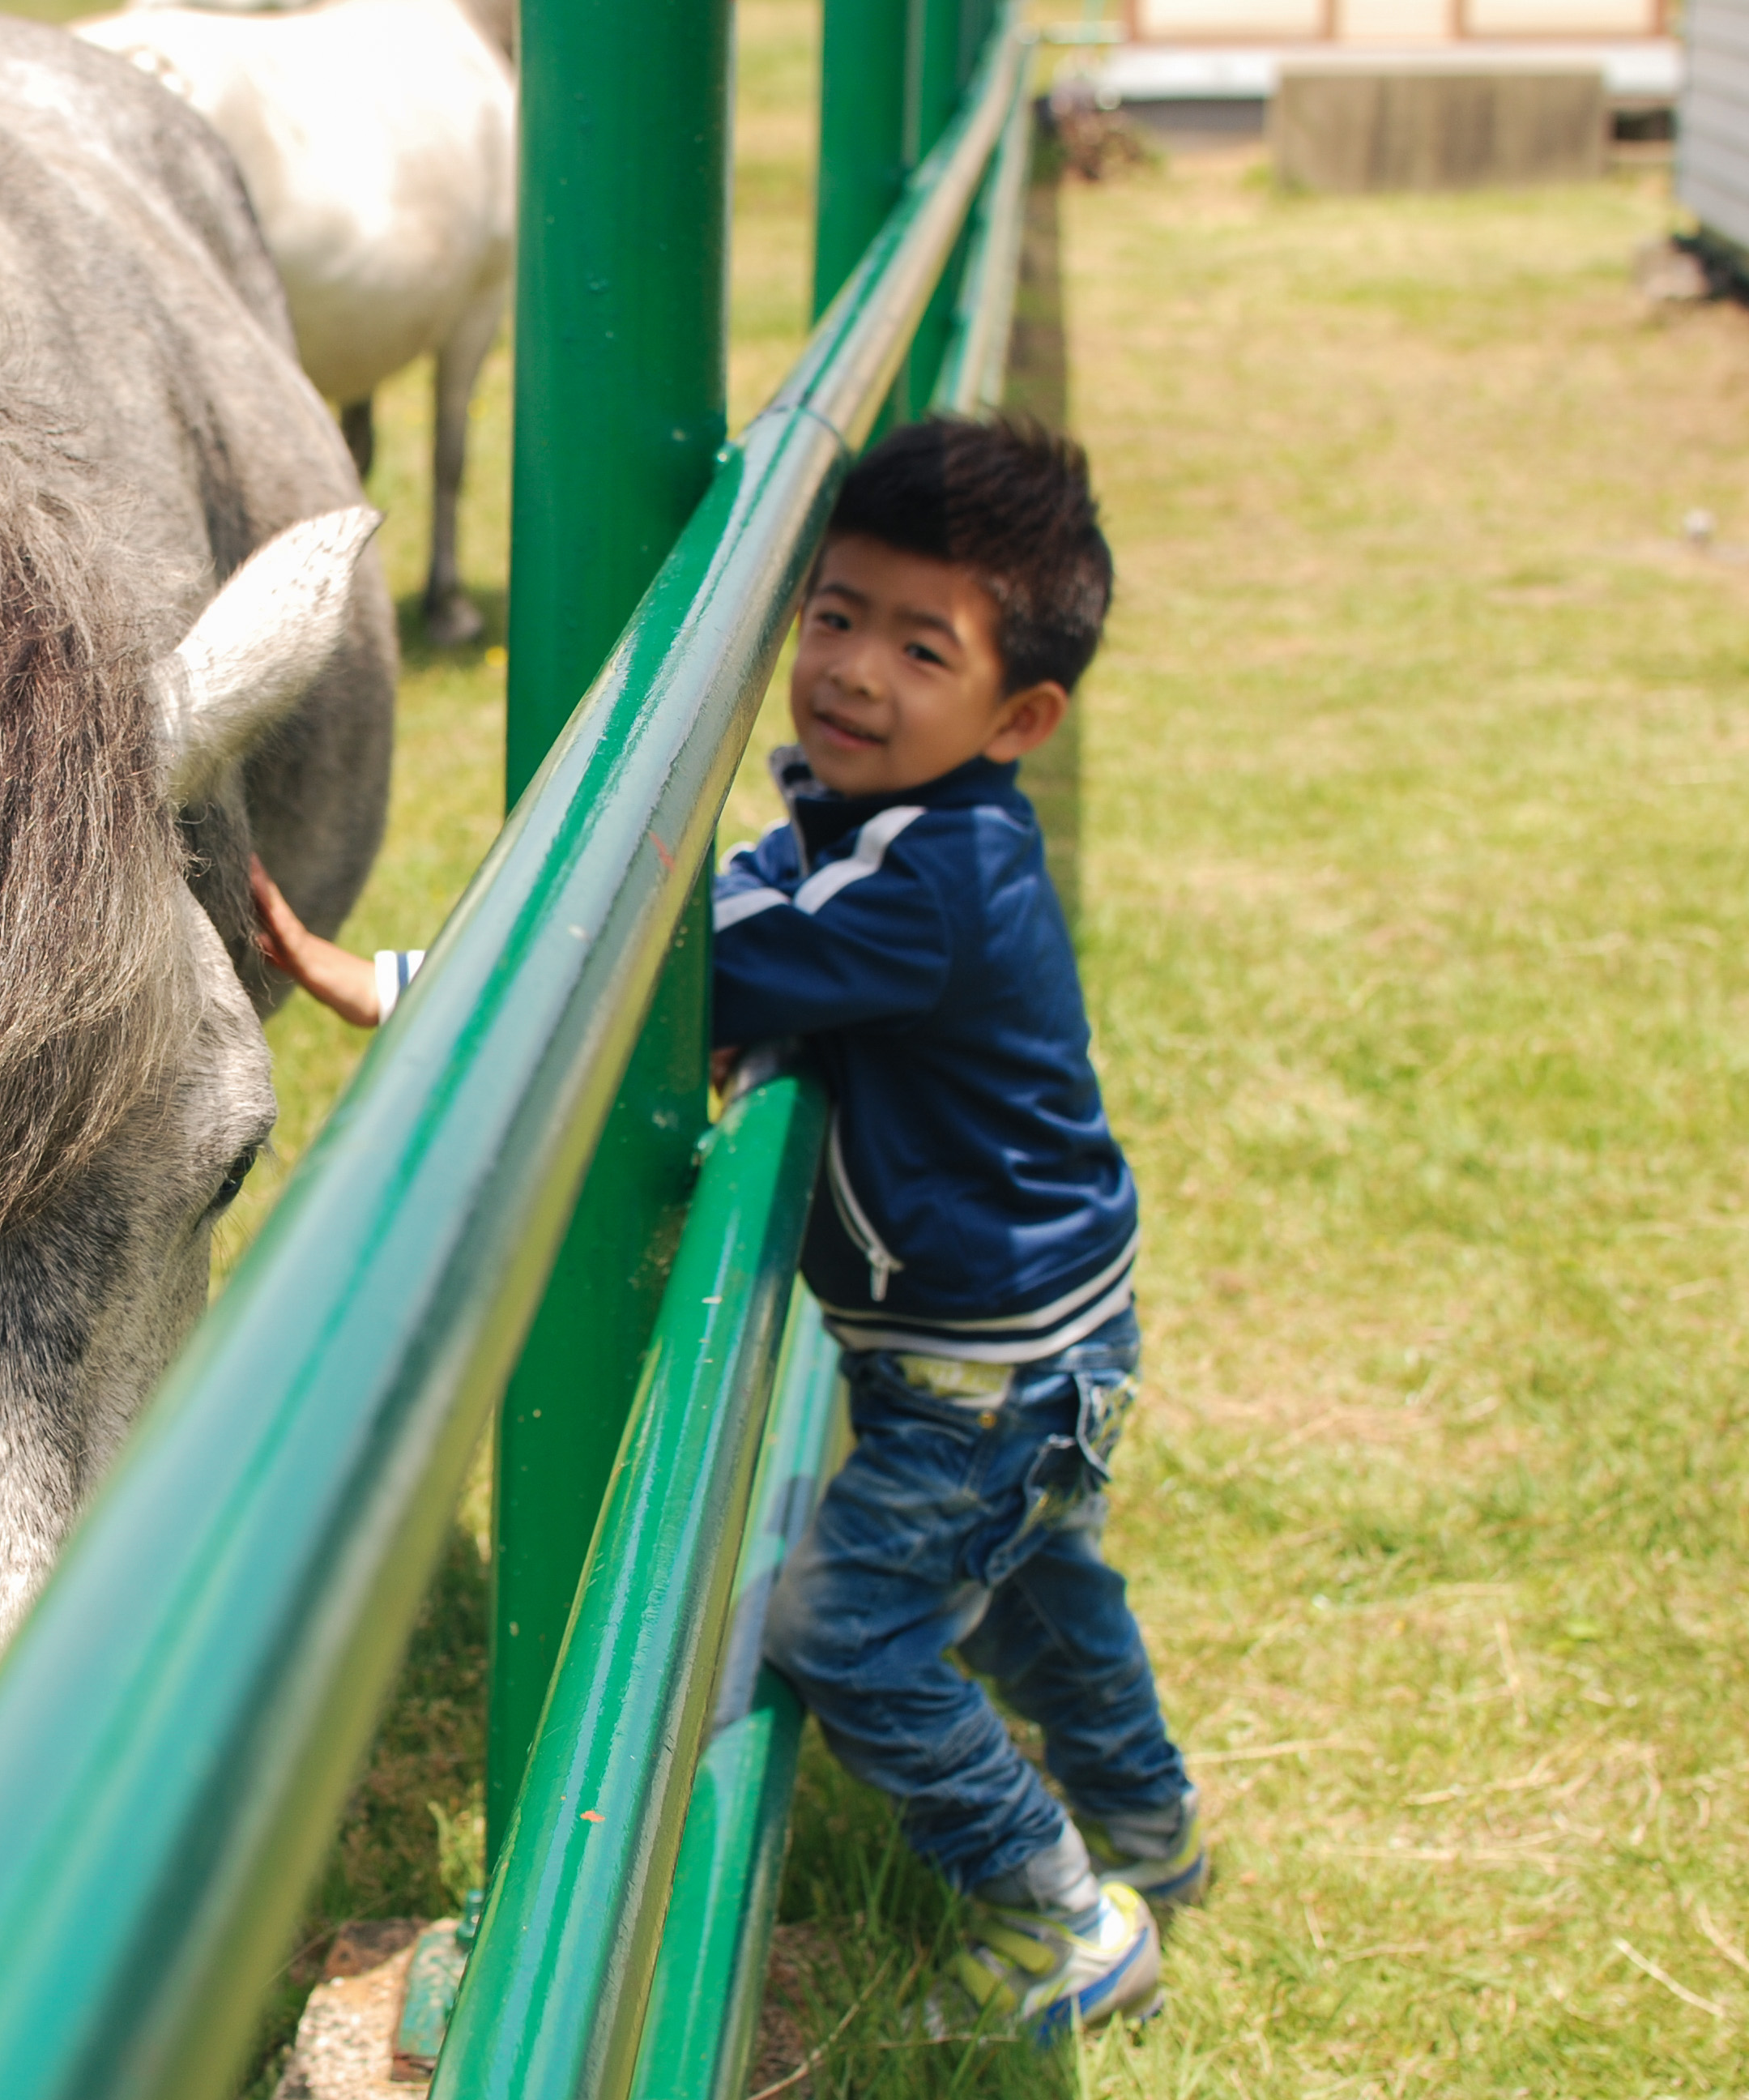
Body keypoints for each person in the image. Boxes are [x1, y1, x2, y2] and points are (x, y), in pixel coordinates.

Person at [250, 416, 1199, 2046]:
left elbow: (673, 978)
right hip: (1038, 1331)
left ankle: (1057, 1911)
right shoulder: (873, 827)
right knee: (1039, 1581)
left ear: (1019, 715)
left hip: (978, 1363)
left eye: (922, 646)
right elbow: (755, 926)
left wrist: (404, 990)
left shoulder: (926, 884)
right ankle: (1151, 1826)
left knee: (846, 1628)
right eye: (831, 614)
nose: (850, 671)